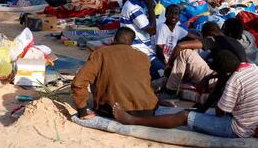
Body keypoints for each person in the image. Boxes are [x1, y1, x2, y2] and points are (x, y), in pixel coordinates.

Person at [112, 50, 258, 138]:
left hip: (237, 129)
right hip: (252, 122)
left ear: (225, 73)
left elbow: (221, 112)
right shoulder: (252, 67)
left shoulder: (233, 81)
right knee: (199, 110)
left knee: (184, 116)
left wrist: (222, 87)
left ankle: (132, 120)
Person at [71, 27, 159, 119]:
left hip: (114, 111)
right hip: (148, 110)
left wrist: (82, 111)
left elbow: (78, 82)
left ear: (113, 39)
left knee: (95, 76)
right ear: (131, 43)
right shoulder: (143, 56)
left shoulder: (100, 53)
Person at [164, 22, 247, 100]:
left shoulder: (214, 39)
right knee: (194, 53)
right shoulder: (232, 41)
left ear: (209, 34)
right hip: (234, 81)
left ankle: (170, 91)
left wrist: (169, 65)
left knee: (185, 53)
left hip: (220, 82)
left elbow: (180, 46)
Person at [120, 0, 163, 79]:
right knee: (162, 73)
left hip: (144, 47)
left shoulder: (137, 4)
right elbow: (152, 30)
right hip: (139, 50)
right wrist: (149, 4)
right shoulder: (133, 8)